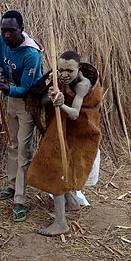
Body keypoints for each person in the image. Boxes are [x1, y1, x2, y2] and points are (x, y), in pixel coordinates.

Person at [27, 50, 102, 235]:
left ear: (79, 69)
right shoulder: (60, 80)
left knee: (57, 169)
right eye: (61, 70)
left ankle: (61, 223)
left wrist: (61, 104)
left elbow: (75, 113)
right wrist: (51, 96)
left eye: (70, 70)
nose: (64, 74)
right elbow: (45, 100)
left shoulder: (83, 85)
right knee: (62, 166)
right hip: (68, 132)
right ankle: (72, 202)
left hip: (82, 135)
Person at [0, 10, 43, 222]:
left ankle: (20, 199)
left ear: (21, 29)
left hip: (28, 102)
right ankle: (13, 185)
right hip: (11, 98)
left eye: (11, 31)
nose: (6, 35)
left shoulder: (31, 54)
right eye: (3, 30)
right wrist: (0, 73)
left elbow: (28, 88)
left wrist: (7, 89)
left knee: (24, 149)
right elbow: (0, 63)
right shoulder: (1, 41)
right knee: (13, 145)